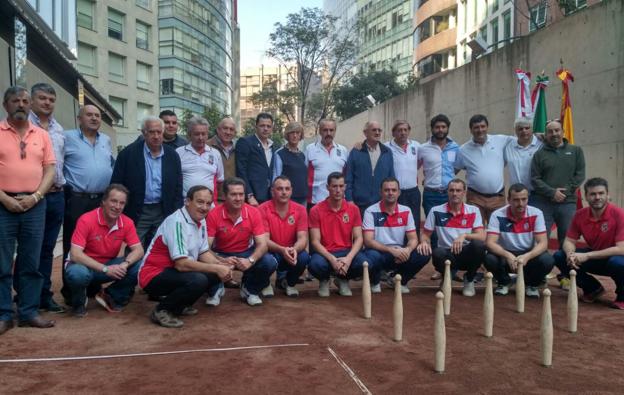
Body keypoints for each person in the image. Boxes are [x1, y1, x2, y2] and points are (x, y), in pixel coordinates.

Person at [0, 86, 56, 334]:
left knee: (30, 262)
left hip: (35, 205)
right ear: (6, 105)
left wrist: (36, 196)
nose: (21, 104)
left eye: (24, 101)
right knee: (1, 263)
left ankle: (28, 312)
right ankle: (3, 314)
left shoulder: (42, 134)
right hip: (3, 205)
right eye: (15, 101)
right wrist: (5, 199)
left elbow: (50, 169)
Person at [139, 186, 232, 328]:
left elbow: (203, 253)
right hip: (152, 275)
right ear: (187, 201)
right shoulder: (176, 222)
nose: (204, 207)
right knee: (198, 279)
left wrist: (221, 266)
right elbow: (181, 264)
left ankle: (180, 305)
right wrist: (216, 267)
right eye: (200, 202)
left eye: (208, 203)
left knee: (213, 275)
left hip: (173, 272)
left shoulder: (201, 220)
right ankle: (162, 310)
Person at [62, 105, 115, 303]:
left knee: (97, 244)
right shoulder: (67, 137)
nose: (94, 118)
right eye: (89, 115)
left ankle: (92, 288)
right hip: (77, 199)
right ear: (79, 118)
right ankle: (71, 291)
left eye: (97, 115)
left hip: (100, 200)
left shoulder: (106, 140)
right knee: (73, 244)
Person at [65, 184, 144, 317]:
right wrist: (106, 269)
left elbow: (139, 250)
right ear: (103, 202)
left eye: (122, 203)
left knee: (141, 265)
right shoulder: (86, 219)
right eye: (113, 201)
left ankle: (110, 296)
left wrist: (124, 265)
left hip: (107, 266)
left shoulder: (127, 222)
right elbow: (75, 254)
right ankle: (78, 303)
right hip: (85, 267)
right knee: (78, 274)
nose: (117, 206)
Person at [111, 116, 183, 248]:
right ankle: (134, 269)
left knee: (160, 247)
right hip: (138, 210)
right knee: (134, 247)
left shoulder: (172, 155)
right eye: (151, 132)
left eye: (159, 132)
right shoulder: (128, 154)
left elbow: (178, 187)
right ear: (144, 133)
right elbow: (117, 184)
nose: (156, 136)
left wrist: (176, 211)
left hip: (163, 210)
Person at [553, 178, 624, 310]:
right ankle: (592, 289)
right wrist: (570, 254)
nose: (597, 197)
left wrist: (588, 255)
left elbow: (621, 249)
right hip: (598, 257)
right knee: (559, 256)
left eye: (601, 193)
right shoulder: (580, 215)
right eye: (593, 194)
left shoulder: (619, 214)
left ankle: (622, 296)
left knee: (618, 263)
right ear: (586, 196)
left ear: (608, 195)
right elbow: (569, 241)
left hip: (617, 258)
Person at [206, 178, 277, 306]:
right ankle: (216, 288)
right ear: (225, 196)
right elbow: (205, 247)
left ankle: (249, 288)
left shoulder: (253, 212)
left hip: (245, 252)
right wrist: (220, 261)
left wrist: (250, 260)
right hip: (221, 253)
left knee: (269, 262)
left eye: (241, 194)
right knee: (202, 259)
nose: (238, 198)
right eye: (233, 194)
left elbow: (262, 244)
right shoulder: (213, 214)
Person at [28, 83, 66, 313]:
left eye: (51, 99)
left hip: (56, 196)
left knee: (47, 250)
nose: (47, 103)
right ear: (32, 100)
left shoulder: (58, 129)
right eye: (42, 98)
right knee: (29, 249)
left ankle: (44, 295)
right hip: (32, 197)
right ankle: (26, 296)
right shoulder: (23, 126)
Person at [417, 179, 486, 296]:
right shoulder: (436, 211)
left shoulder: (473, 211)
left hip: (465, 253)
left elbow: (481, 236)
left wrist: (464, 235)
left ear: (464, 192)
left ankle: (469, 280)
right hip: (446, 253)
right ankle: (447, 276)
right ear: (447, 192)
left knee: (478, 246)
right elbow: (425, 234)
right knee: (437, 252)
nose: (455, 193)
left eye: (458, 190)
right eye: (452, 190)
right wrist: (424, 242)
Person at [308, 172, 372, 297]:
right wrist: (332, 259)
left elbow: (359, 238)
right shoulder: (316, 210)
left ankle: (342, 279)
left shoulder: (353, 209)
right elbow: (315, 241)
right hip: (325, 253)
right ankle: (324, 280)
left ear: (345, 187)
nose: (338, 190)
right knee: (314, 265)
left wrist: (348, 259)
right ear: (327, 187)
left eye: (341, 186)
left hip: (346, 252)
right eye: (334, 186)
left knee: (365, 264)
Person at [484, 183, 554, 297]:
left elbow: (543, 243)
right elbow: (490, 243)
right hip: (505, 254)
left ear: (528, 199)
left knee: (547, 260)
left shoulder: (536, 213)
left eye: (524, 199)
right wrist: (507, 255)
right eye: (516, 200)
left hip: (528, 255)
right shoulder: (497, 215)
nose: (520, 204)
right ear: (509, 200)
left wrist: (528, 256)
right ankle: (504, 282)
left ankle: (531, 284)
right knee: (489, 258)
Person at [363, 177, 430, 294]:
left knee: (424, 253)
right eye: (387, 190)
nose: (390, 193)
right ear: (381, 192)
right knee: (372, 256)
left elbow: (413, 239)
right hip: (379, 252)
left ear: (399, 193)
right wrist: (390, 250)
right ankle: (375, 281)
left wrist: (407, 250)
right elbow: (368, 241)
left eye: (394, 190)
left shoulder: (406, 211)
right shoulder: (371, 211)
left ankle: (399, 280)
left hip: (399, 253)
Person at [531, 119, 585, 249]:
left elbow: (580, 175)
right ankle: (540, 268)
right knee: (540, 239)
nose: (554, 134)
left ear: (563, 132)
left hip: (567, 203)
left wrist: (564, 192)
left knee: (567, 240)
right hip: (543, 203)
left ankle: (566, 268)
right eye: (550, 131)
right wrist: (552, 192)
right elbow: (535, 179)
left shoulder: (576, 151)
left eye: (557, 130)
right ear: (546, 134)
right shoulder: (539, 154)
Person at [454, 114, 515, 223]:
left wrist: (540, 136)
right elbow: (454, 169)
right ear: (471, 130)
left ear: (487, 127)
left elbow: (522, 139)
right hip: (475, 198)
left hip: (497, 198)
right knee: (476, 232)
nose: (480, 130)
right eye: (476, 127)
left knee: (498, 232)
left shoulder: (500, 140)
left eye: (483, 126)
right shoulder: (463, 150)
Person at [418, 114, 460, 268]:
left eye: (443, 127)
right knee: (433, 231)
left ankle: (452, 265)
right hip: (431, 195)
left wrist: (448, 177)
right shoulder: (423, 148)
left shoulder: (456, 147)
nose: (440, 130)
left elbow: (458, 165)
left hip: (450, 195)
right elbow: (414, 165)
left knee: (450, 230)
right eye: (437, 127)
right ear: (432, 129)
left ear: (447, 128)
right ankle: (439, 267)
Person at [258, 176, 310, 297]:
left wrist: (295, 249)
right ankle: (265, 283)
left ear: (291, 191)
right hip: (270, 251)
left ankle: (289, 283)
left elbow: (303, 238)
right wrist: (282, 250)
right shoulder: (262, 209)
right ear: (272, 191)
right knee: (264, 259)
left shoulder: (301, 210)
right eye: (280, 189)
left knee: (304, 258)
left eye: (287, 189)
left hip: (291, 251)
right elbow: (264, 240)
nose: (284, 192)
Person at [346, 121, 395, 215]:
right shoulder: (356, 152)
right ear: (365, 133)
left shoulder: (387, 152)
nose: (377, 133)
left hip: (382, 205)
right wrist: (349, 199)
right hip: (359, 205)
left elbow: (391, 178)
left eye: (379, 130)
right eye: (374, 130)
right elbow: (349, 178)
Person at [386, 120, 422, 234]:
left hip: (413, 192)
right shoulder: (386, 147)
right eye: (399, 130)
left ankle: (414, 248)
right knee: (397, 222)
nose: (403, 133)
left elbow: (420, 162)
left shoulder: (416, 145)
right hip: (396, 193)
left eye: (405, 130)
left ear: (409, 131)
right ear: (393, 133)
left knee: (414, 221)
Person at [236, 112, 279, 205]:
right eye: (262, 125)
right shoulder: (245, 142)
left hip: (269, 197)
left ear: (272, 128)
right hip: (253, 197)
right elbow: (241, 170)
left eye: (268, 126)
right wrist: (249, 195)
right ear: (256, 126)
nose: (265, 129)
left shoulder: (273, 146)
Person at [176, 116, 224, 198]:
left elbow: (220, 181)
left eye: (203, 134)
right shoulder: (179, 152)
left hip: (209, 204)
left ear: (207, 135)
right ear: (189, 135)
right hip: (186, 203)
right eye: (197, 134)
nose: (200, 138)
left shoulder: (215, 154)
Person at [305, 119, 348, 206]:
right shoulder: (310, 149)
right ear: (320, 131)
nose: (328, 133)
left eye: (331, 130)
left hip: (338, 202)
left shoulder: (343, 150)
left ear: (335, 131)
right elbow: (303, 173)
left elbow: (347, 175)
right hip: (315, 201)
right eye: (325, 130)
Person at [504, 118, 542, 204]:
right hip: (517, 196)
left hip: (537, 195)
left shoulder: (541, 145)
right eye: (520, 129)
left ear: (532, 129)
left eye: (527, 128)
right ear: (515, 131)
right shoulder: (508, 146)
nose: (524, 131)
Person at [272, 122, 307, 205]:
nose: (295, 135)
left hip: (303, 198)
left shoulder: (302, 155)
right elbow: (276, 177)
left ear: (300, 135)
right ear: (287, 135)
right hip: (287, 198)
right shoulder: (280, 154)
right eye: (292, 132)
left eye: (297, 133)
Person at [208, 117, 237, 203]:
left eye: (231, 129)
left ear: (235, 133)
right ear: (218, 130)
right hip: (212, 198)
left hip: (233, 197)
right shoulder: (207, 146)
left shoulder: (239, 148)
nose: (228, 132)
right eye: (225, 128)